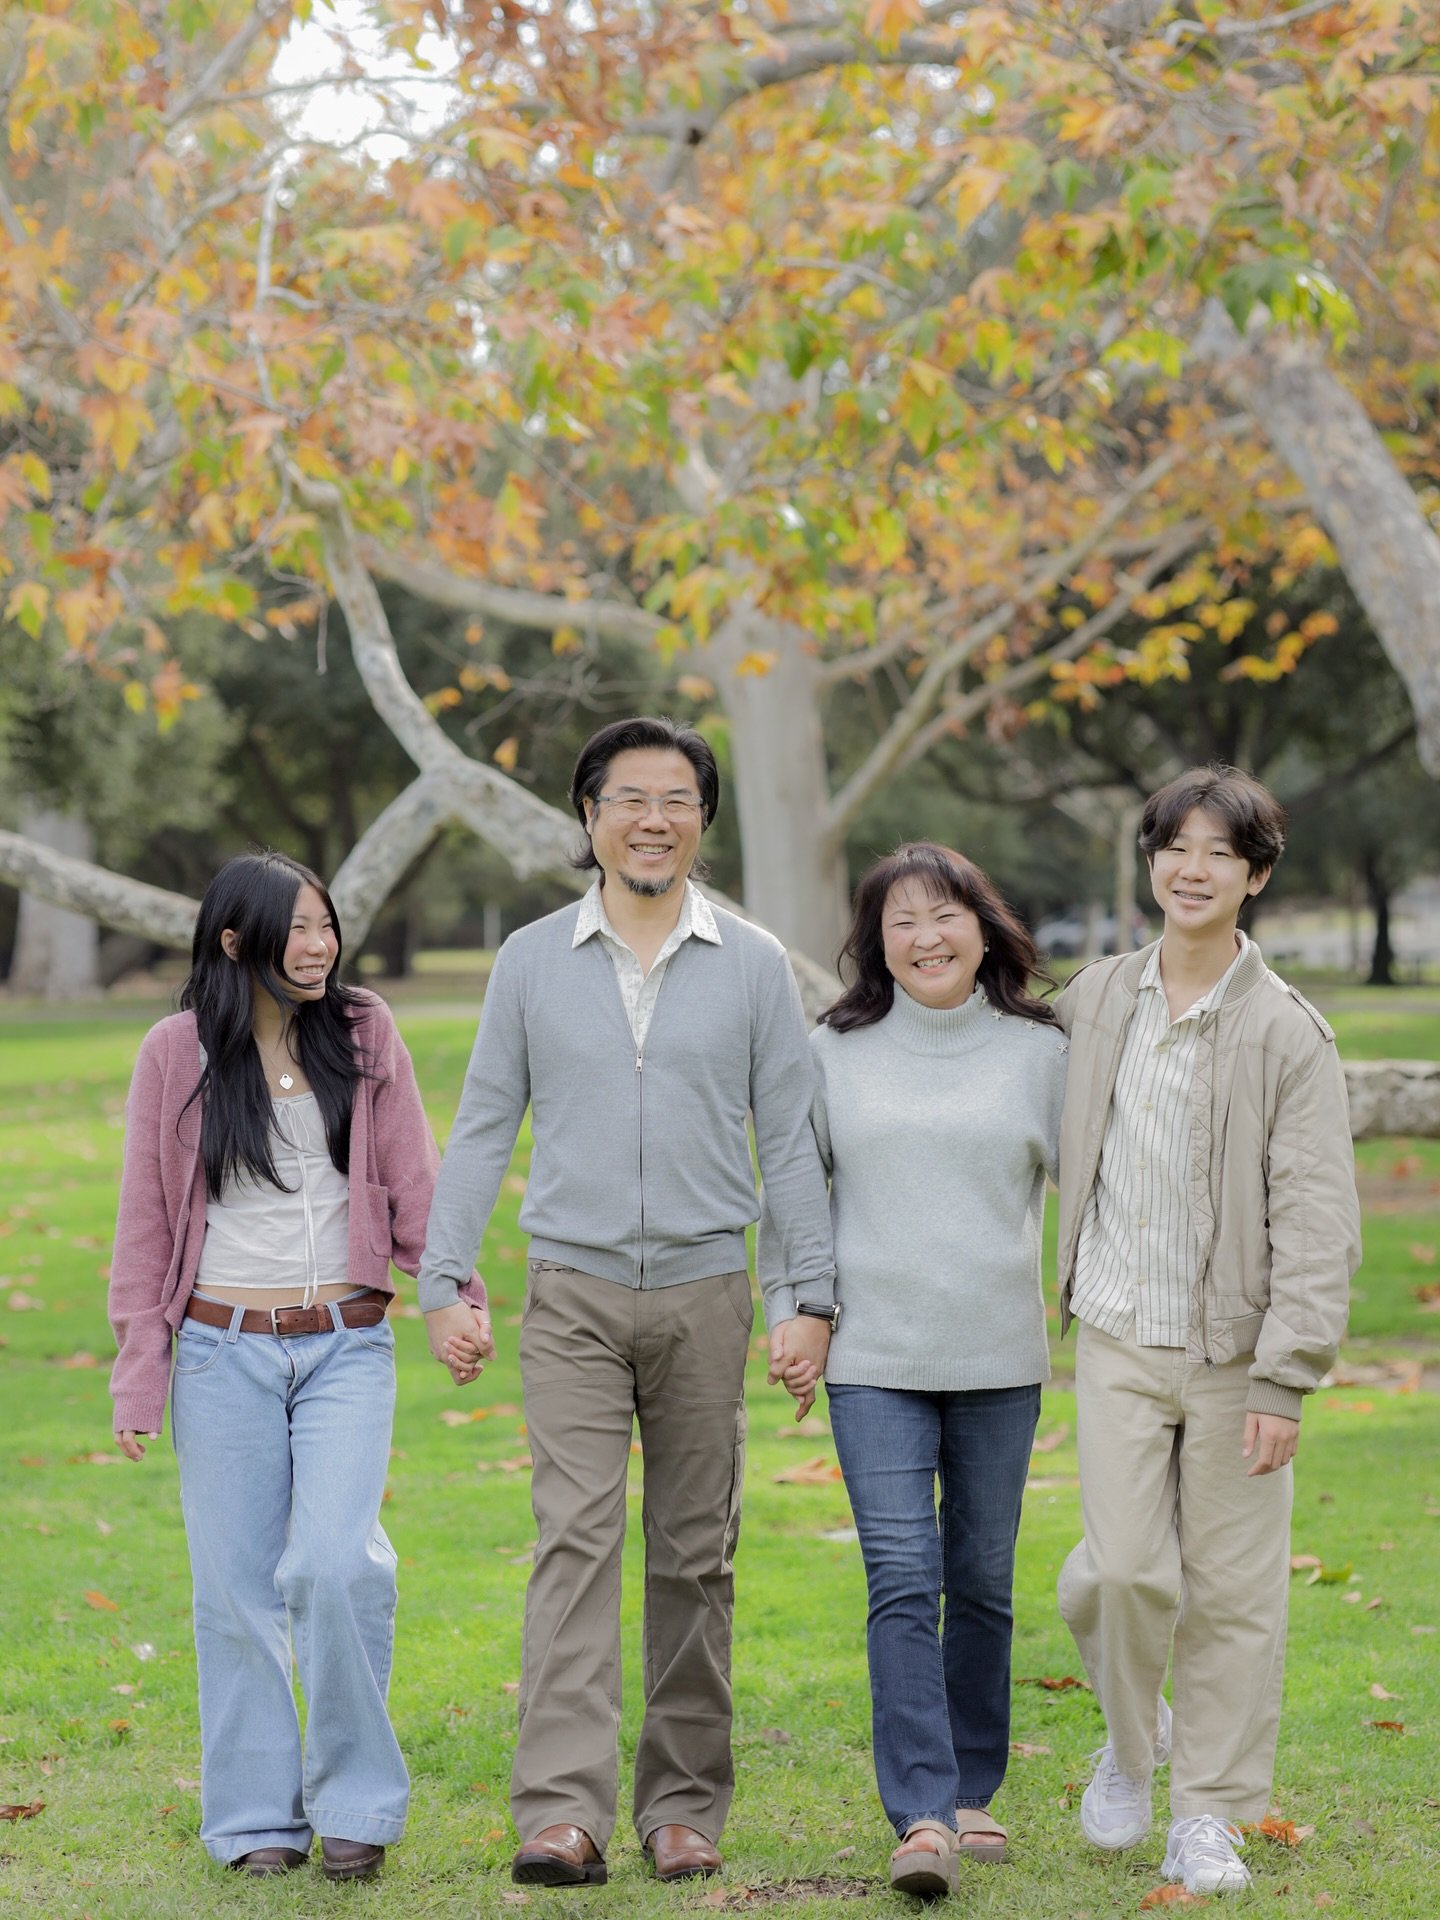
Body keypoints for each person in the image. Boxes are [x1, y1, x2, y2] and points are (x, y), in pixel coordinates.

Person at [417, 716, 836, 1888]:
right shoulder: (531, 959)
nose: (653, 819)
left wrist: (807, 1297)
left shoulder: (751, 962)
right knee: (575, 1544)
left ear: (703, 819)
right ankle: (562, 1811)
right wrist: (445, 1278)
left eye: (677, 799)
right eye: (629, 799)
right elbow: (486, 1120)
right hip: (575, 1295)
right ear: (590, 817)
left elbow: (792, 1146)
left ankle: (681, 1807)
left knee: (697, 1553)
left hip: (709, 1289)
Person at [109, 851, 492, 1880]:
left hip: (345, 1347)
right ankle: (255, 1825)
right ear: (236, 942)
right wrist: (139, 1366)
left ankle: (357, 1801)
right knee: (233, 1593)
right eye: (300, 928)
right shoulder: (173, 1053)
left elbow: (416, 1177)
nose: (321, 945)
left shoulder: (364, 1031)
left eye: (328, 925)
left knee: (333, 1566)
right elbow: (146, 1225)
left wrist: (450, 1292)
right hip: (221, 1351)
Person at [1053, 767, 1360, 1896]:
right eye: (1174, 847)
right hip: (1118, 1337)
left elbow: (1320, 1220)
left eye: (1219, 854)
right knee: (1120, 1576)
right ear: (1150, 862)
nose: (1192, 869)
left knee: (1231, 1595)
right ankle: (1134, 1747)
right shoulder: (1095, 1000)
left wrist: (1287, 1376)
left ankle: (1211, 1818)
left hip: (1237, 1356)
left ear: (1256, 876)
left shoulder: (1288, 1033)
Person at [761, 842, 1068, 1899]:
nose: (925, 936)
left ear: (985, 927)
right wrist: (794, 1312)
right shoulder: (830, 1052)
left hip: (998, 1358)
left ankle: (975, 1786)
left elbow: (1094, 1195)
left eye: (945, 915)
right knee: (902, 1579)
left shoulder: (1042, 1052)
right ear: (873, 942)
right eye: (901, 921)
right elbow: (792, 1202)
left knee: (982, 1580)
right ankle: (924, 1814)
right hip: (874, 1359)